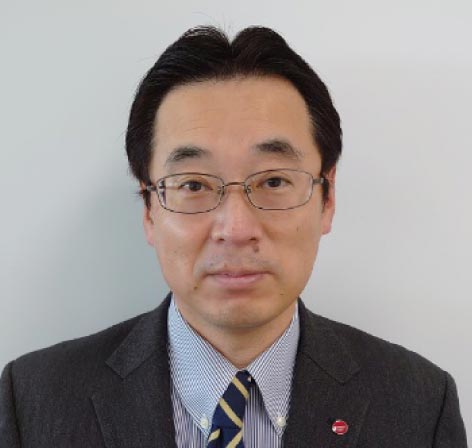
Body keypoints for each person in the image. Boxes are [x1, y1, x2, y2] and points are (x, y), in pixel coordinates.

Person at [0, 25, 467, 448]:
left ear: (327, 199)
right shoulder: (35, 400)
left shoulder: (419, 404)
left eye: (274, 180)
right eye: (193, 185)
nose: (236, 229)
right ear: (148, 209)